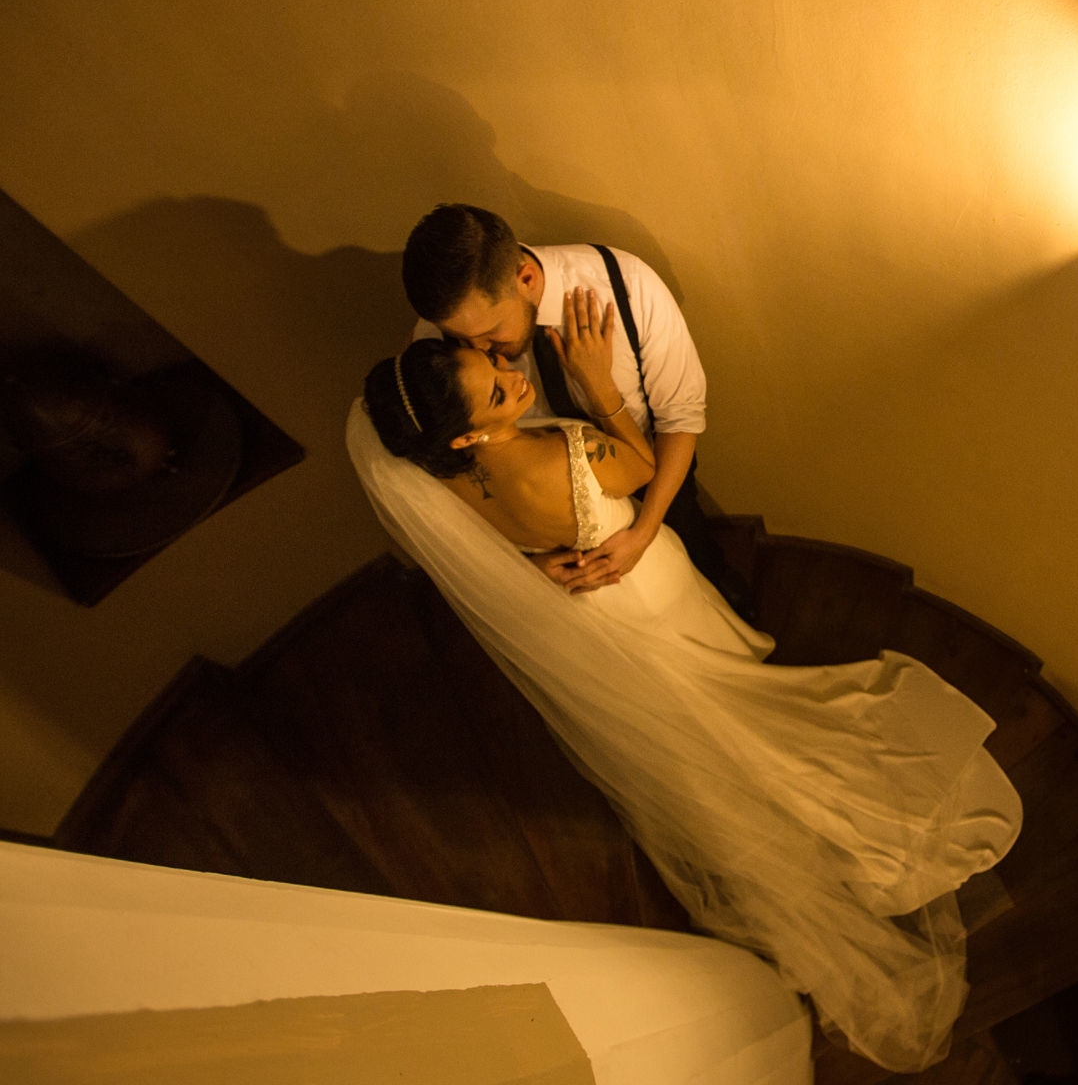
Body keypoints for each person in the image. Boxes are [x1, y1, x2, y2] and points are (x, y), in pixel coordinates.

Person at [350, 286, 1022, 1074]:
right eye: (499, 392)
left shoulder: (438, 474)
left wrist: (537, 564)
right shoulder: (544, 464)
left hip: (594, 619)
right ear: (467, 435)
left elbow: (493, 549)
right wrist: (599, 385)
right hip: (642, 590)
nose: (515, 378)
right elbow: (640, 466)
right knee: (732, 703)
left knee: (702, 715)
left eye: (492, 362)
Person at [401, 203, 752, 616]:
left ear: (526, 279)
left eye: (491, 332)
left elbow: (680, 419)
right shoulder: (436, 338)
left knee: (698, 571)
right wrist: (523, 564)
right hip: (550, 523)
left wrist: (644, 531)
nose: (477, 350)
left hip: (655, 477)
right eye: (460, 338)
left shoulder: (629, 287)